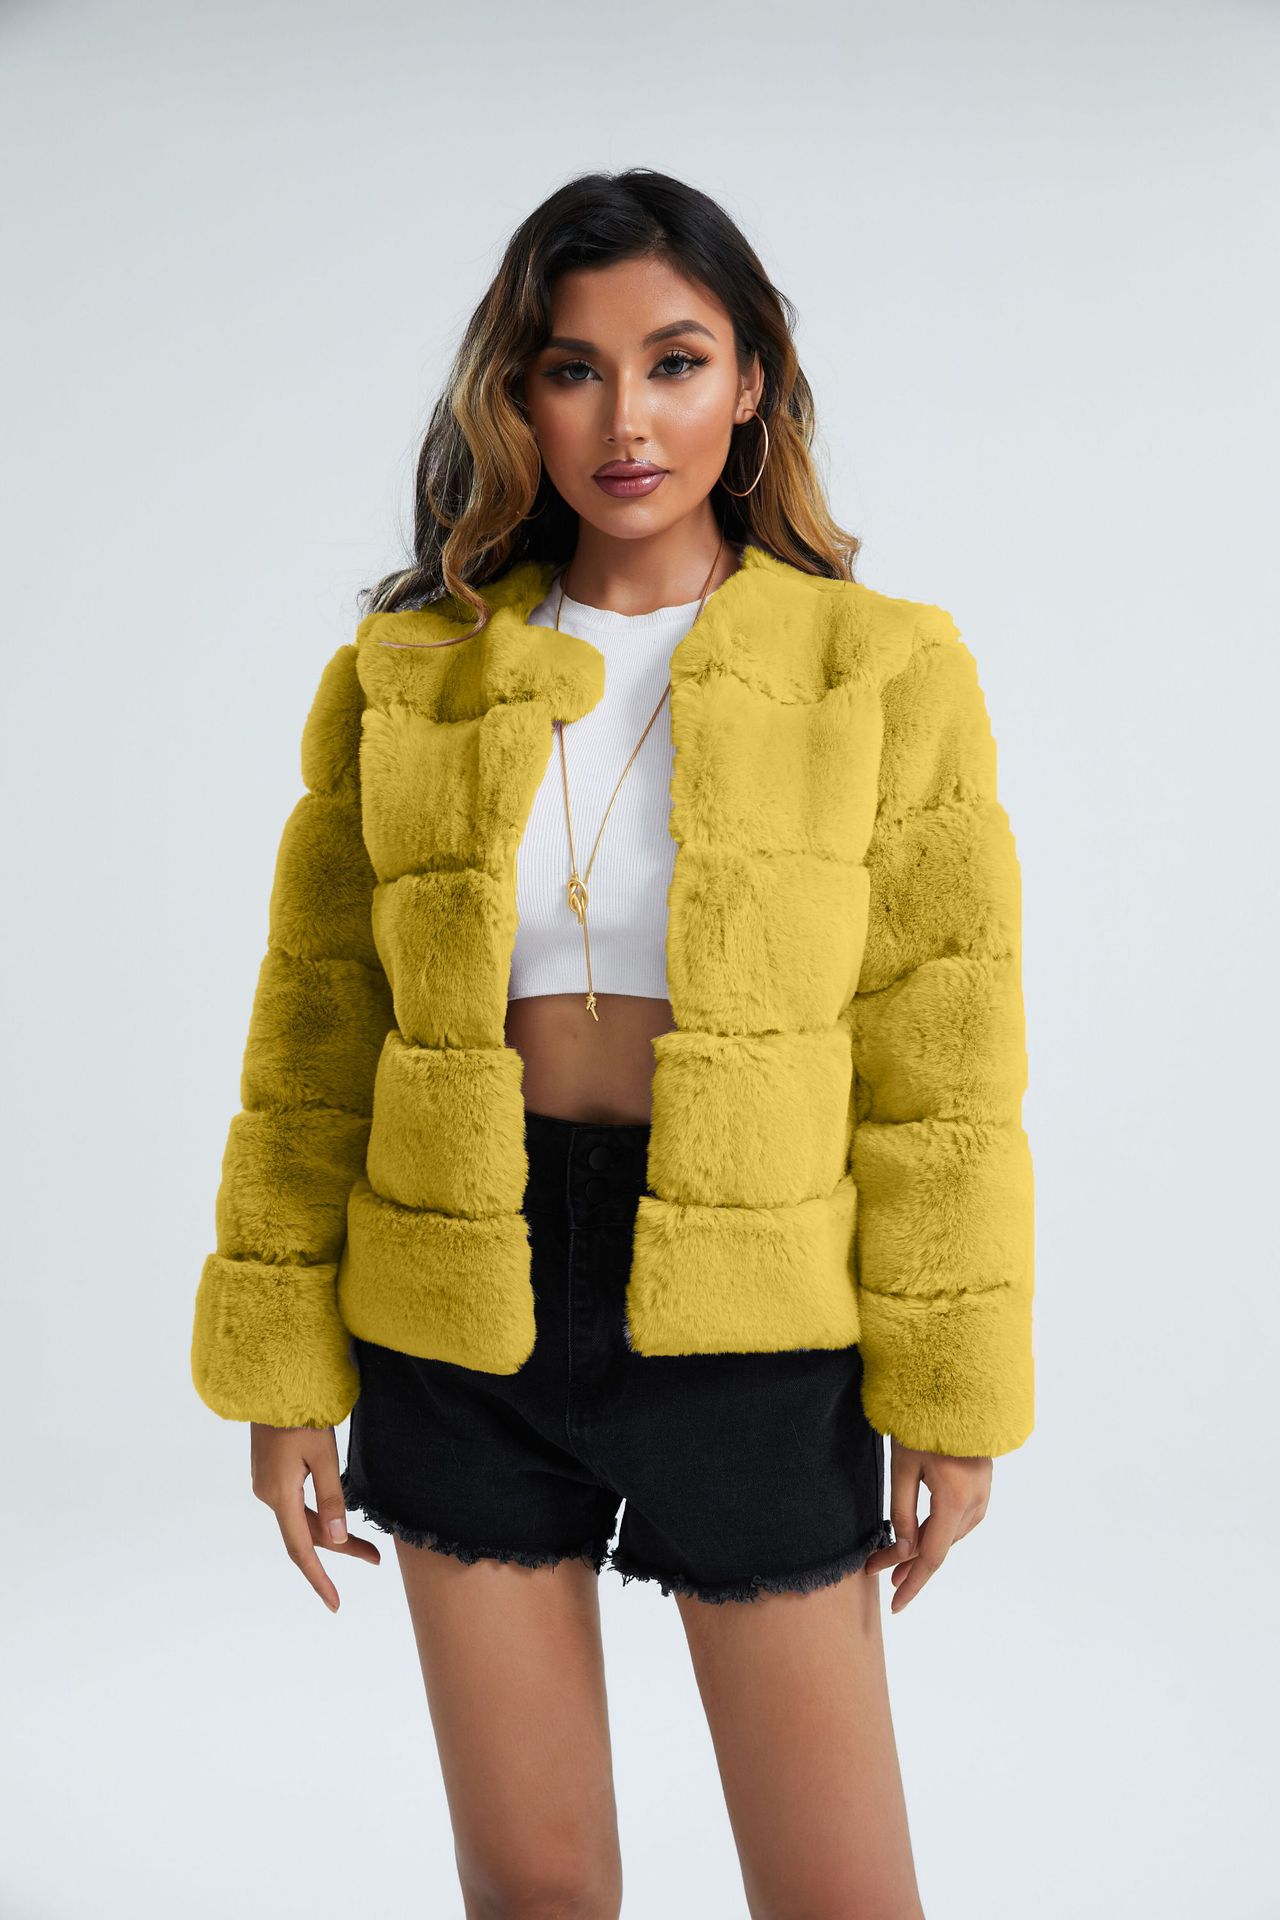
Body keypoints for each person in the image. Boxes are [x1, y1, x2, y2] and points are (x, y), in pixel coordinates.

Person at [191, 167, 1034, 1919]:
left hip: (755, 1319)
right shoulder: (413, 674)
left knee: (839, 1895)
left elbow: (943, 1072)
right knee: (536, 1889)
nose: (627, 419)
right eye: (574, 369)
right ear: (518, 396)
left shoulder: (881, 672)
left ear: (754, 382)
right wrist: (280, 1369)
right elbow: (314, 1035)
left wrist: (949, 1405)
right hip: (456, 1303)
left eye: (675, 361)